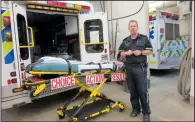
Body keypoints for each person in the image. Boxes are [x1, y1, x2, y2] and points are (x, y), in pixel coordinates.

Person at [118, 20, 153, 121]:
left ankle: (146, 112)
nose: (133, 28)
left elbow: (150, 50)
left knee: (142, 91)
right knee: (132, 90)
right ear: (129, 28)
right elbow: (120, 53)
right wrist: (125, 53)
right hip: (129, 68)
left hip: (140, 68)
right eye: (131, 26)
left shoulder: (144, 38)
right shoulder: (125, 41)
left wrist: (141, 52)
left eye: (134, 26)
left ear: (137, 27)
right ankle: (135, 109)